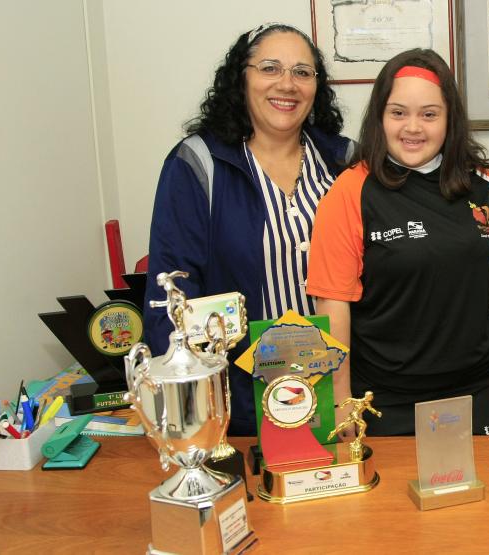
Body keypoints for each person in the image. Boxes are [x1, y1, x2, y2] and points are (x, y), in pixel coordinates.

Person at [144, 23, 353, 435]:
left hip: (338, 393)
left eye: (303, 72)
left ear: (317, 86)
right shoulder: (198, 164)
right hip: (239, 405)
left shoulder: (343, 161)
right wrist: (195, 416)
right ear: (242, 78)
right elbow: (172, 293)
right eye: (270, 68)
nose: (287, 84)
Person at [307, 49, 489, 436]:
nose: (413, 127)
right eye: (398, 112)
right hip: (384, 400)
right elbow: (333, 309)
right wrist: (340, 402)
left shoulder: (483, 185)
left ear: (449, 119)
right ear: (379, 118)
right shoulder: (350, 192)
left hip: (478, 392)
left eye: (429, 114)